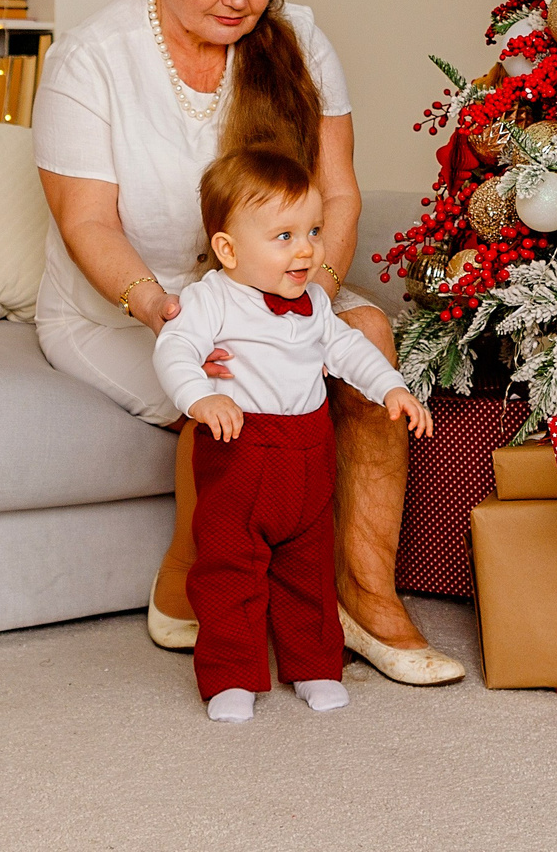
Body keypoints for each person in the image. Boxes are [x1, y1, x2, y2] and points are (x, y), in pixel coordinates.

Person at [33, 0, 465, 686]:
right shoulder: (92, 59)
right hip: (126, 307)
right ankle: (191, 577)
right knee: (228, 368)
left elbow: (338, 193)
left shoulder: (298, 39)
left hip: (273, 280)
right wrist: (161, 309)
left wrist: (313, 299)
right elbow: (87, 221)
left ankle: (366, 598)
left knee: (368, 332)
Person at [154, 148, 433, 722]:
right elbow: (175, 348)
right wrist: (200, 397)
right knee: (231, 569)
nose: (306, 249)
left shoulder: (313, 304)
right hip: (241, 453)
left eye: (313, 232)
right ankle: (232, 675)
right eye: (284, 236)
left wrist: (390, 387)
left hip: (309, 453)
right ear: (229, 249)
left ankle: (314, 667)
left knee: (309, 568)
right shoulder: (211, 299)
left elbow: (348, 348)